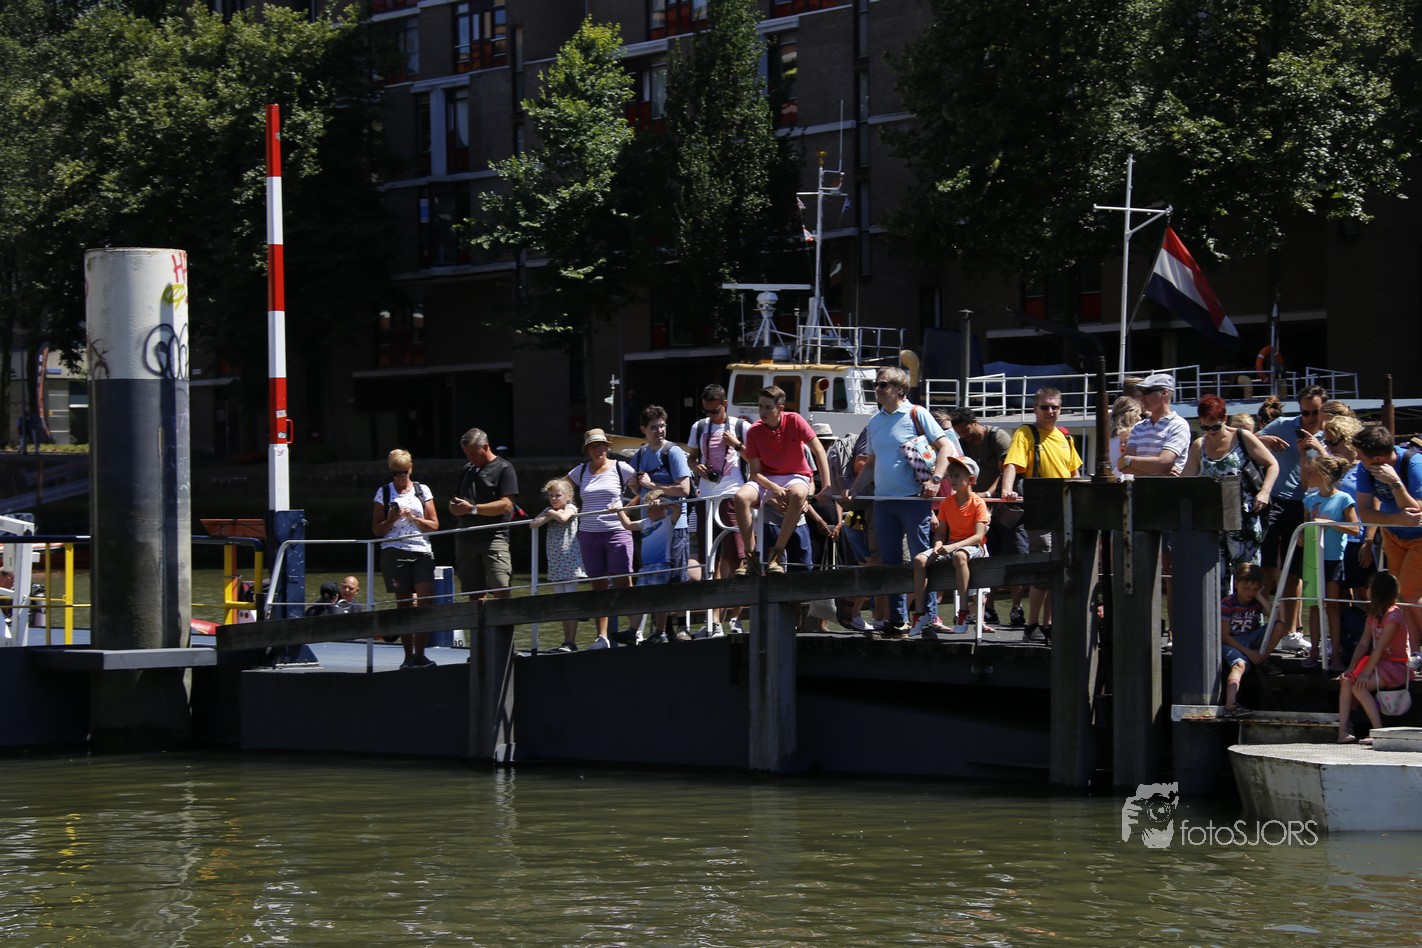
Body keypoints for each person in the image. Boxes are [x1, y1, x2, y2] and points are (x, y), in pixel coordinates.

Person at [853, 367, 957, 638]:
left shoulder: (917, 413)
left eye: (883, 384)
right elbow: (870, 463)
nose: (877, 389)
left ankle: (929, 617)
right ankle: (897, 620)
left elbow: (946, 447)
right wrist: (854, 489)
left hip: (914, 499)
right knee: (890, 562)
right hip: (883, 501)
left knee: (922, 559)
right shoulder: (875, 421)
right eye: (876, 384)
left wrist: (935, 479)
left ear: (900, 389)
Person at [1000, 386, 1083, 643]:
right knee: (1045, 562)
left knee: (1059, 566)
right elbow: (1012, 463)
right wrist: (1006, 490)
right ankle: (1032, 624)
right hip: (1039, 506)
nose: (1050, 411)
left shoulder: (1065, 437)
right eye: (1045, 407)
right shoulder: (1026, 433)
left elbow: (1075, 474)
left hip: (1063, 508)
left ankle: (1049, 624)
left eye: (1055, 407)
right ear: (1035, 409)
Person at [1256, 385, 1330, 643]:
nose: (1310, 418)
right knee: (1266, 567)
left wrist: (1318, 447)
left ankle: (1291, 631)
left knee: (1295, 571)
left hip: (1306, 505)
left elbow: (1338, 468)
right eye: (1305, 412)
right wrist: (1265, 440)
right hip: (1275, 499)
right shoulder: (1283, 424)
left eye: (1315, 412)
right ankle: (1259, 626)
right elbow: (1247, 440)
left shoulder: (1329, 434)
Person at [733, 385, 833, 576]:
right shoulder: (753, 431)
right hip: (767, 479)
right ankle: (751, 559)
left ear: (780, 408)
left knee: (798, 494)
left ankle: (776, 556)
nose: (762, 412)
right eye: (760, 406)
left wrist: (827, 486)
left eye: (767, 407)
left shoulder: (795, 420)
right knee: (740, 497)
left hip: (796, 476)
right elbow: (755, 473)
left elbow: (819, 450)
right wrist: (774, 488)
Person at [1182, 394, 1278, 569]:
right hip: (1213, 520)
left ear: (1225, 418)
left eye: (1215, 426)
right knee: (1216, 575)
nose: (1211, 432)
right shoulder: (1199, 445)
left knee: (1246, 574)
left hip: (1243, 517)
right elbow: (1185, 482)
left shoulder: (1242, 437)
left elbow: (1272, 464)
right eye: (1205, 427)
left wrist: (1265, 492)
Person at [1352, 424, 1422, 656]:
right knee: (1398, 595)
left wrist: (1395, 483)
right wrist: (1396, 519)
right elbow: (1365, 512)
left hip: (1419, 538)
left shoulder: (1414, 464)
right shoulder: (1366, 469)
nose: (1357, 459)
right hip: (1393, 535)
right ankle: (1414, 652)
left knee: (1411, 594)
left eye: (1361, 456)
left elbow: (1417, 512)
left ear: (1378, 459)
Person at [685, 384, 749, 636]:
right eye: (706, 411)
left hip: (732, 496)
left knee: (737, 560)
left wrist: (737, 444)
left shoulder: (741, 427)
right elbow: (691, 457)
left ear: (724, 404)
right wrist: (696, 467)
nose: (710, 415)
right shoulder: (699, 427)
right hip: (706, 497)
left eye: (714, 411)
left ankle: (735, 618)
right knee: (710, 561)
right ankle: (713, 621)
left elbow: (756, 458)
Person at [569, 429, 638, 649]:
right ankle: (602, 637)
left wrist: (625, 510)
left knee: (623, 581)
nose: (597, 449)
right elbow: (560, 488)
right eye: (593, 446)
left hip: (617, 531)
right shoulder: (580, 471)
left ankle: (634, 631)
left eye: (601, 445)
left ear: (607, 447)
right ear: (587, 450)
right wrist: (567, 507)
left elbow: (642, 490)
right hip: (589, 534)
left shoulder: (620, 467)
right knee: (597, 585)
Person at [908, 456, 990, 637]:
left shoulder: (978, 503)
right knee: (919, 559)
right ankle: (920, 613)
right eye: (951, 476)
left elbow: (978, 537)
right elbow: (941, 533)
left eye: (957, 476)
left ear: (971, 480)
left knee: (959, 556)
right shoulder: (946, 503)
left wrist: (953, 547)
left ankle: (963, 612)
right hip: (952, 545)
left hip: (972, 547)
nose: (952, 479)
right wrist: (938, 545)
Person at [372, 448, 439, 669]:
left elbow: (434, 525)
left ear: (410, 468)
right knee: (404, 604)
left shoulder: (422, 490)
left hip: (421, 550)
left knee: (426, 599)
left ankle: (420, 654)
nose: (400, 478)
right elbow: (377, 530)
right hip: (394, 551)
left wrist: (415, 518)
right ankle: (408, 656)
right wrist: (392, 518)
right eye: (395, 473)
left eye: (403, 473)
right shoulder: (383, 492)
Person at [950, 407, 1016, 624]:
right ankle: (987, 610)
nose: (964, 436)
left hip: (1000, 505)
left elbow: (1006, 469)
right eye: (960, 433)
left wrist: (989, 493)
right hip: (979, 506)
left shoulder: (998, 437)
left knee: (1014, 553)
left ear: (975, 422)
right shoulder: (964, 443)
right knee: (987, 556)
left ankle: (1016, 608)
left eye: (966, 430)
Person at [1299, 455, 1361, 671]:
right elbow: (1305, 528)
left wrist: (1329, 523)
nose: (1307, 475)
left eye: (1312, 472)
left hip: (1334, 558)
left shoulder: (1343, 498)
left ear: (1324, 475)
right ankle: (1314, 651)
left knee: (1332, 607)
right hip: (1313, 559)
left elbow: (1355, 529)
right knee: (1314, 606)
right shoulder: (1309, 500)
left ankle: (1335, 654)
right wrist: (1301, 537)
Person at [1337, 571, 1411, 745]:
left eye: (1369, 587)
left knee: (1359, 687)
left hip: (1395, 666)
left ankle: (1378, 732)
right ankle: (1343, 731)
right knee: (1347, 680)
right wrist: (1352, 667)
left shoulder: (1394, 616)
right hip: (1378, 663)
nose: (1367, 590)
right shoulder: (1373, 615)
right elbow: (1363, 644)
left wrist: (1364, 674)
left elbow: (1379, 648)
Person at [448, 427, 518, 602]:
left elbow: (506, 505)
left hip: (493, 538)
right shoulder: (467, 469)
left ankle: (502, 620)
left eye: (473, 453)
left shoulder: (504, 468)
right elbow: (456, 500)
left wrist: (472, 509)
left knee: (501, 586)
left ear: (485, 447)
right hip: (466, 539)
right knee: (474, 594)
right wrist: (454, 507)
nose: (470, 457)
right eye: (467, 454)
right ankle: (479, 621)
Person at [530, 477, 587, 653]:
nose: (554, 499)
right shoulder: (549, 510)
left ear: (568, 496)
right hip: (555, 562)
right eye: (551, 496)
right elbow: (533, 524)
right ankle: (565, 640)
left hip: (570, 560)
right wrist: (549, 513)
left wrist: (550, 514)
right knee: (561, 603)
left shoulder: (571, 507)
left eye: (558, 495)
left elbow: (563, 518)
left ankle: (571, 640)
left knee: (570, 601)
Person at [622, 489, 686, 640]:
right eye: (647, 508)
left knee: (659, 601)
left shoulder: (668, 521)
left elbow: (678, 508)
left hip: (661, 565)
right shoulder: (645, 523)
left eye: (651, 508)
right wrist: (618, 512)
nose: (648, 511)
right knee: (640, 599)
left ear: (662, 508)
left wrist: (663, 501)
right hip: (646, 567)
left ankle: (660, 631)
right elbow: (628, 525)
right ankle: (632, 631)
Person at [1219, 563, 1272, 718]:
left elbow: (1278, 617)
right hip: (1232, 641)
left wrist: (1260, 597)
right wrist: (1248, 652)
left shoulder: (1256, 601)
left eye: (1255, 589)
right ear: (1236, 584)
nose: (1250, 593)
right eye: (1246, 588)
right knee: (1239, 665)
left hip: (1250, 638)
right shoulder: (1227, 604)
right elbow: (1224, 636)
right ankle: (1230, 705)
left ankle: (1262, 659)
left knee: (1279, 625)